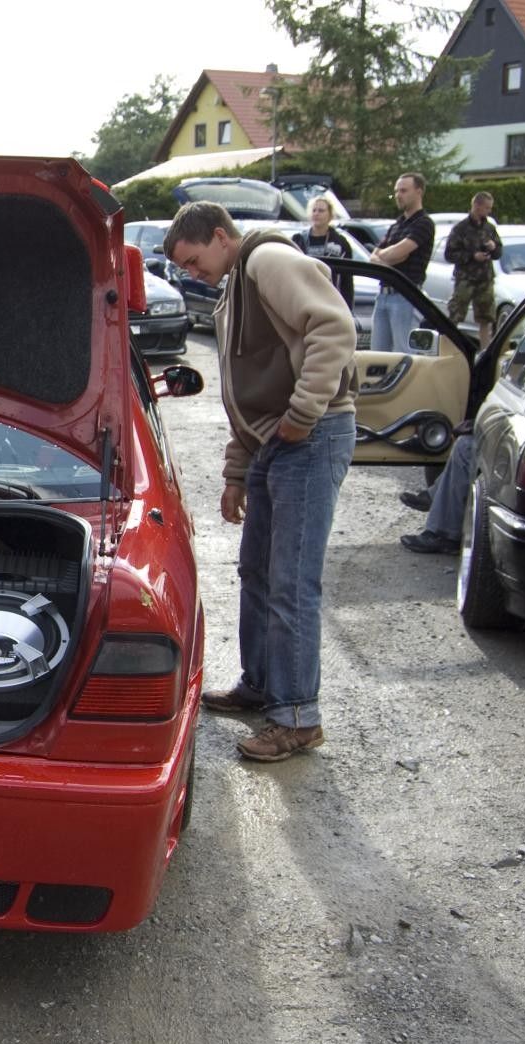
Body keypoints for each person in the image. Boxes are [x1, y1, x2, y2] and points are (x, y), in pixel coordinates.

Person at [163, 202, 358, 763]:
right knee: (257, 571)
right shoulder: (234, 287)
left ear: (220, 236)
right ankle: (262, 685)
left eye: (194, 261)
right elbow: (244, 399)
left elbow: (334, 327)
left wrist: (304, 412)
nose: (192, 273)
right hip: (278, 442)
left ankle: (297, 717)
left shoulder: (267, 260)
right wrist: (237, 474)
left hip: (310, 437)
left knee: (291, 581)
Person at [368, 172, 435, 353]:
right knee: (378, 354)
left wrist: (387, 256)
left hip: (405, 296)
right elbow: (373, 257)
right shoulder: (396, 225)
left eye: (404, 191)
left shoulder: (424, 223)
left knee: (403, 354)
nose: (398, 195)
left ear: (419, 192)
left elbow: (399, 252)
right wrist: (389, 258)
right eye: (396, 191)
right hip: (383, 295)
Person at [442, 191, 502, 344]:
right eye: (487, 207)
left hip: (485, 278)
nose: (489, 211)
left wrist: (493, 247)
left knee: (486, 317)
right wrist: (472, 256)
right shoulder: (460, 229)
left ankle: (485, 349)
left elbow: (498, 253)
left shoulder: (489, 228)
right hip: (465, 279)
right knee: (455, 314)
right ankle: (449, 347)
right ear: (477, 205)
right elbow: (449, 254)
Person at [290, 196, 356, 308]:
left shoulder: (340, 242)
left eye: (321, 211)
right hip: (304, 298)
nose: (316, 214)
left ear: (330, 215)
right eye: (314, 210)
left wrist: (347, 307)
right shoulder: (298, 239)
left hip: (331, 300)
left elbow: (347, 279)